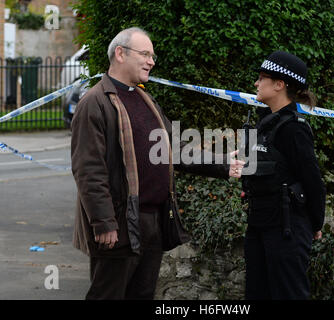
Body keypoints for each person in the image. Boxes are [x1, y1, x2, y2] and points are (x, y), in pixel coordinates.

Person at [71, 27, 244, 300]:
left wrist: (222, 165)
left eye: (152, 56)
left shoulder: (144, 98)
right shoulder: (94, 103)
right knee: (108, 295)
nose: (152, 61)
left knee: (143, 294)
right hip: (120, 223)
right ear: (120, 54)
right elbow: (89, 170)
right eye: (145, 54)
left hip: (153, 220)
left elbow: (171, 149)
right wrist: (104, 222)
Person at [240, 50, 326, 299]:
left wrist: (315, 222)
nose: (256, 83)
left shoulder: (293, 129)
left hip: (286, 228)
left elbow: (313, 181)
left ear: (279, 84)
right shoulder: (266, 122)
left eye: (261, 77)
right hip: (259, 224)